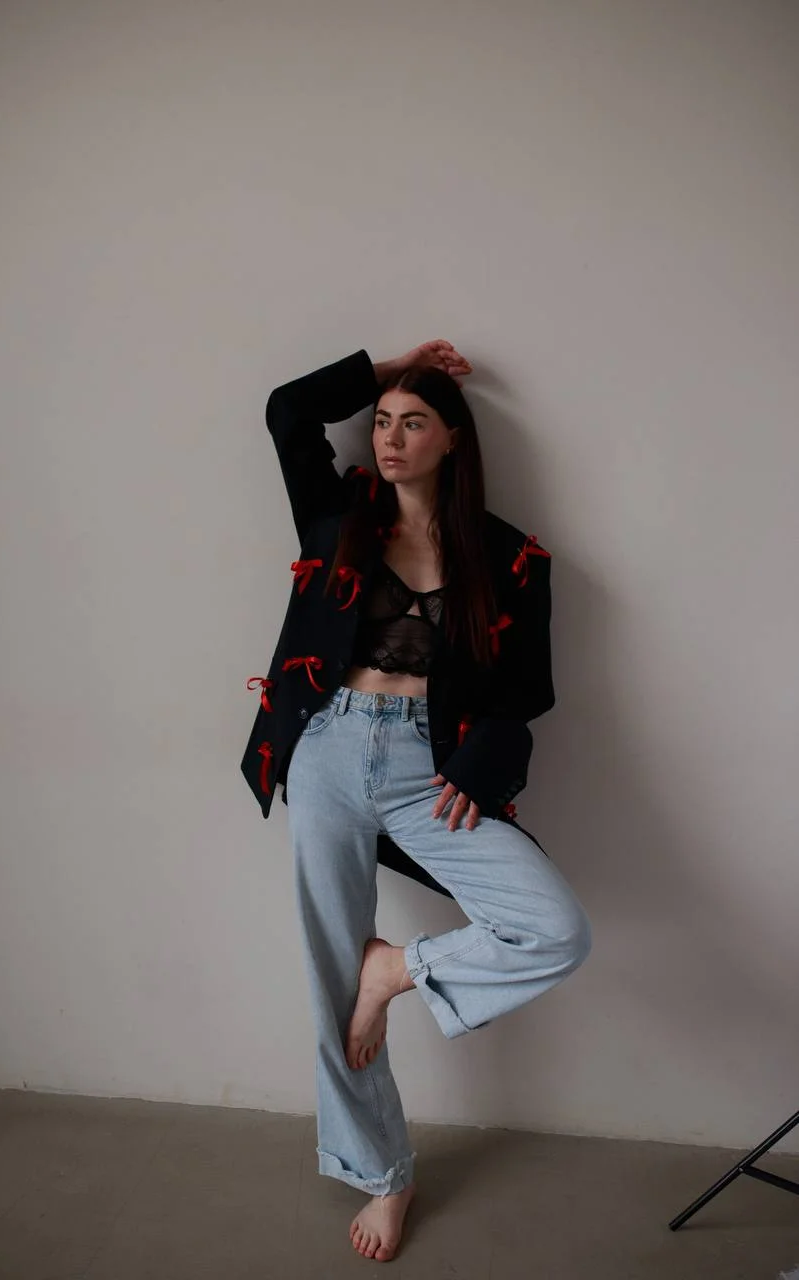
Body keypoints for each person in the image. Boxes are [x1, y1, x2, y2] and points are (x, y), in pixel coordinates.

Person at [241, 340, 592, 1262]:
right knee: (327, 974)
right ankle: (382, 1175)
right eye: (383, 423)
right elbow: (286, 410)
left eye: (413, 423)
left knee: (553, 927)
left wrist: (479, 767)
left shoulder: (510, 557)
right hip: (325, 751)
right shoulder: (336, 518)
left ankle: (396, 972)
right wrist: (385, 367)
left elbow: (525, 694)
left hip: (427, 771)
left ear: (451, 439)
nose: (390, 438)